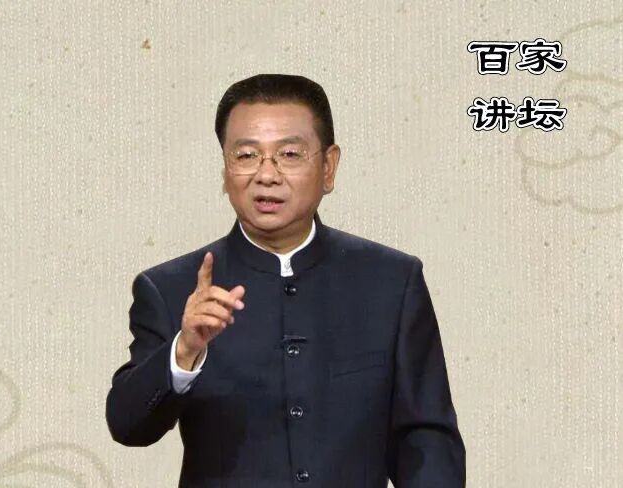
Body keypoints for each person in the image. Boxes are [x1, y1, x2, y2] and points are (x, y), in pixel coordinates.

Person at [105, 74, 465, 487]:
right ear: (225, 169)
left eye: (289, 154)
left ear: (328, 167)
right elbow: (128, 426)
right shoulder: (171, 288)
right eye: (246, 155)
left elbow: (427, 438)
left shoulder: (391, 280)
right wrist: (183, 351)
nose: (266, 175)